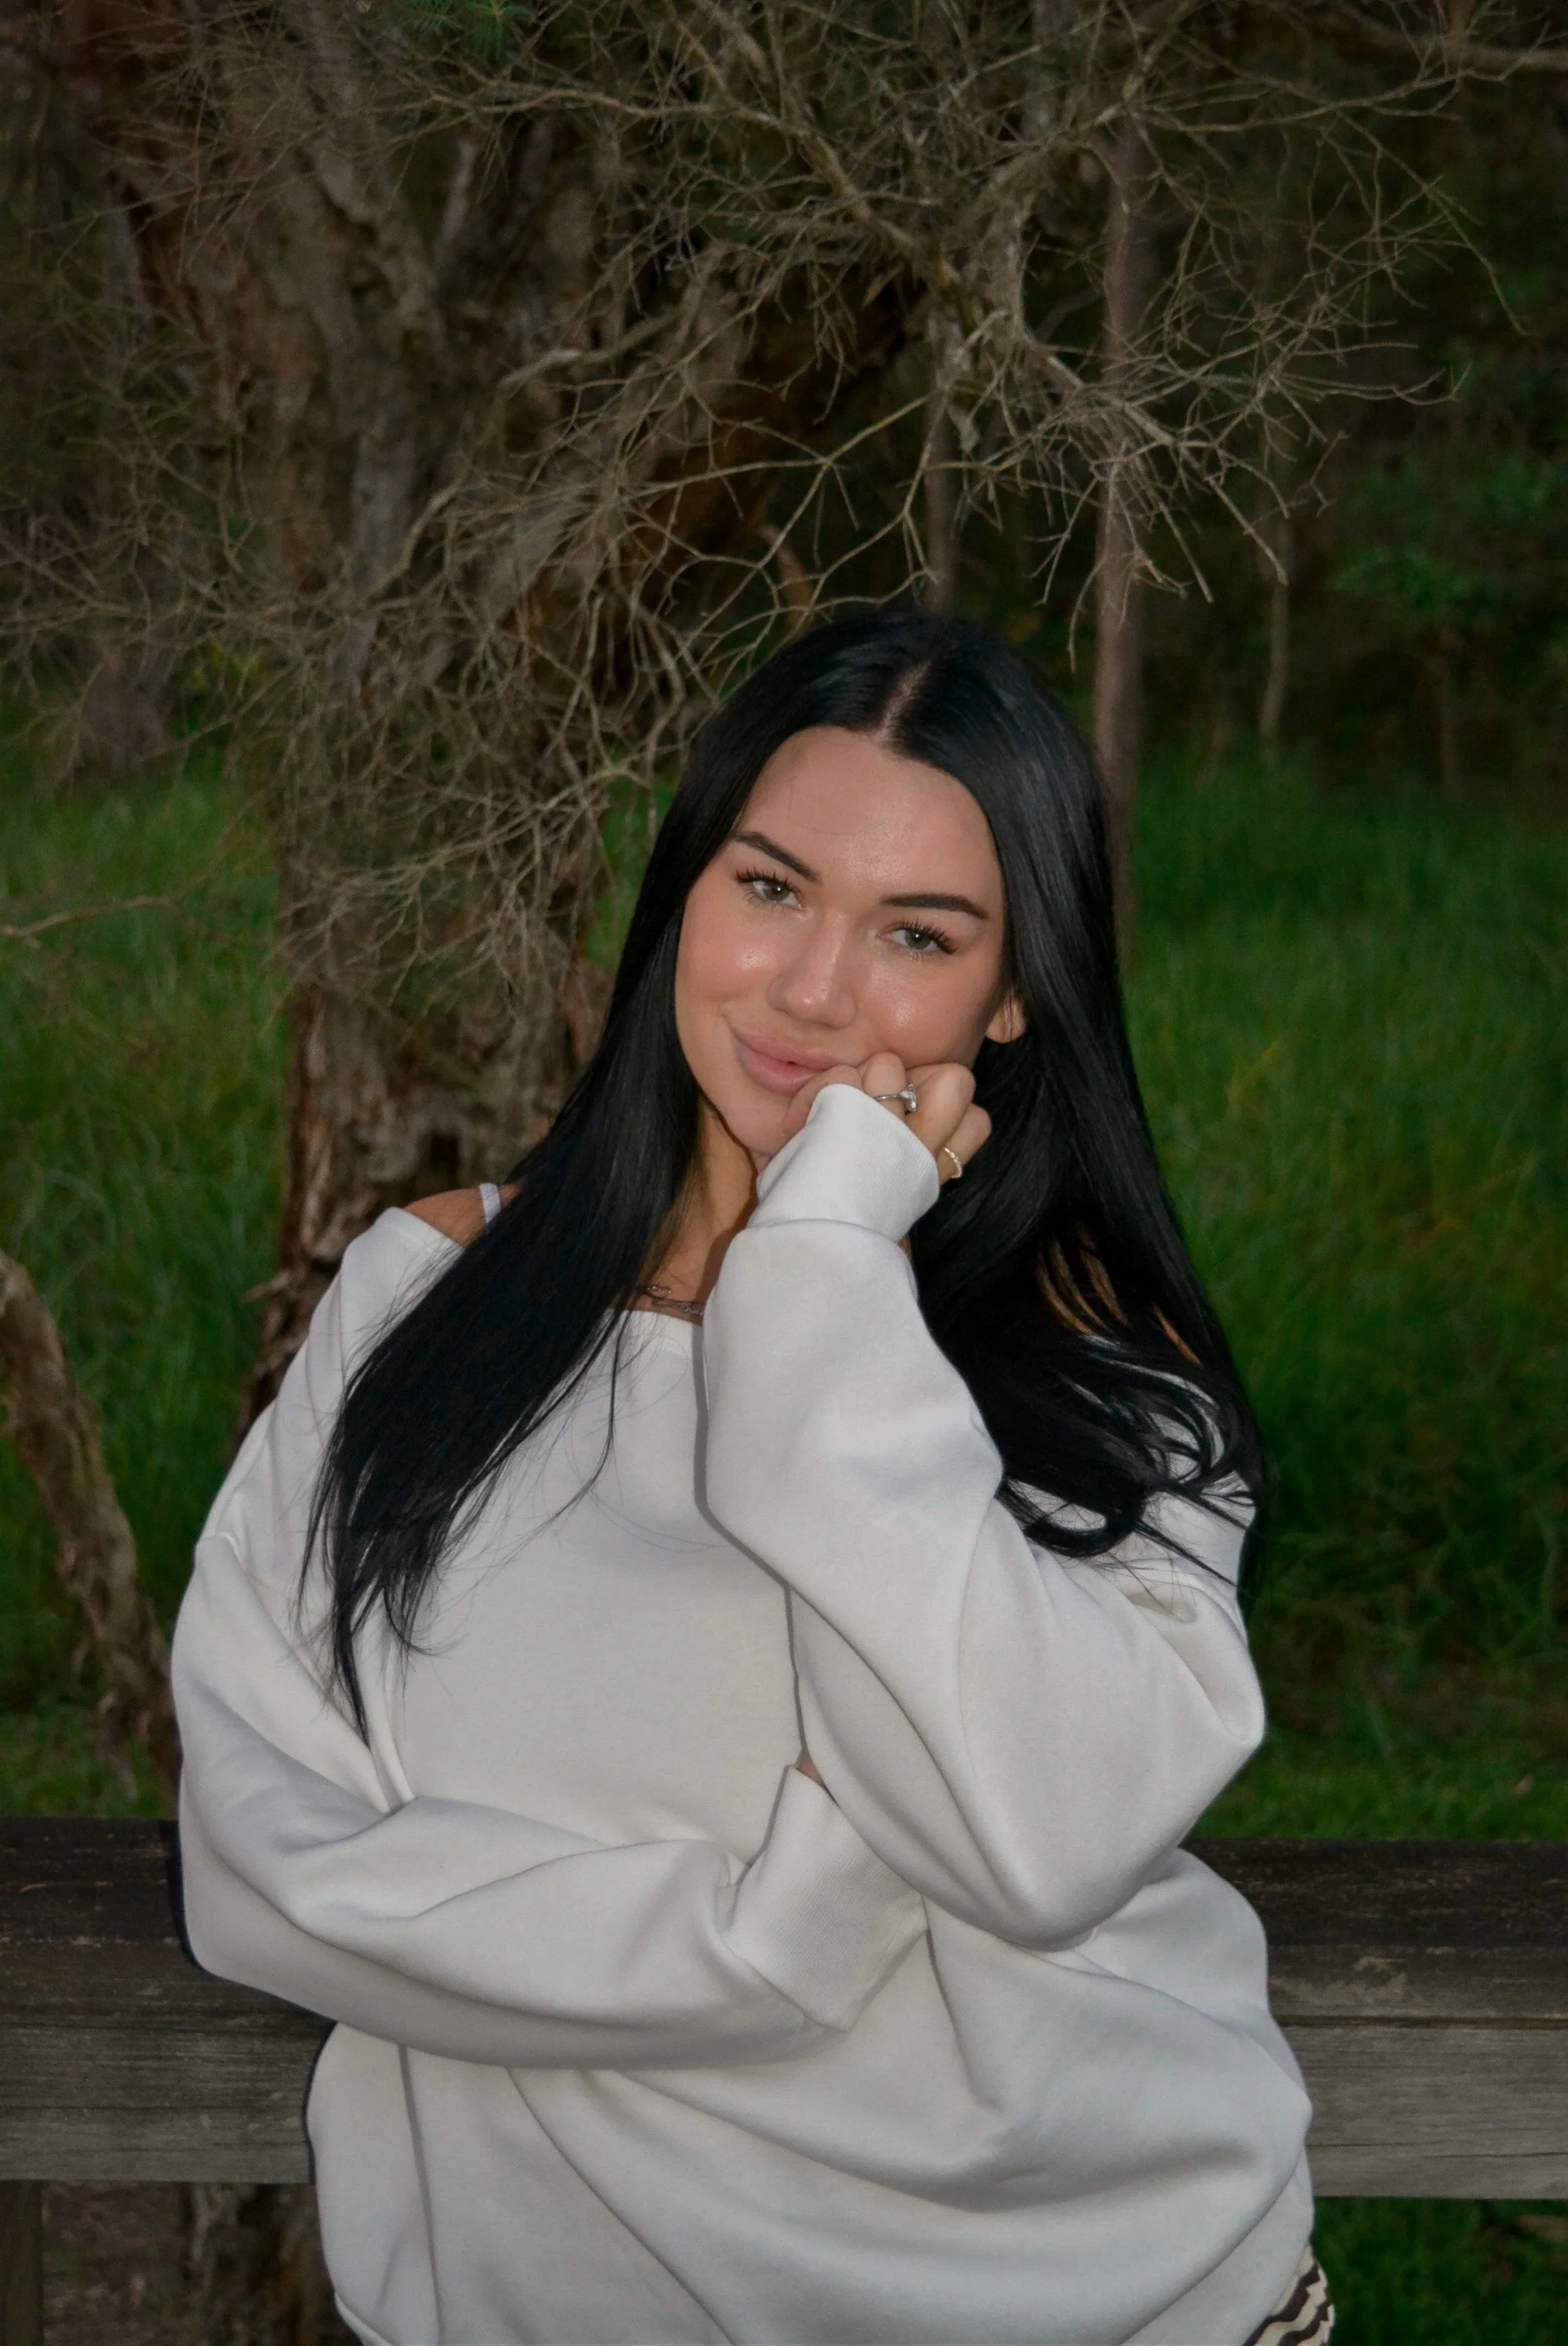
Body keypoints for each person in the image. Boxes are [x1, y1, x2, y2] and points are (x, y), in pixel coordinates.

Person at [172, 612, 1329, 2346]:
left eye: (916, 931)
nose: (809, 988)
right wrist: (773, 1933)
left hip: (1088, 2296)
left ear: (1013, 992)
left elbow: (1035, 1839)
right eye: (770, 887)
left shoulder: (1110, 1389)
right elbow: (259, 1861)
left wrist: (821, 1269)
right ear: (684, 891)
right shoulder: (427, 1298)